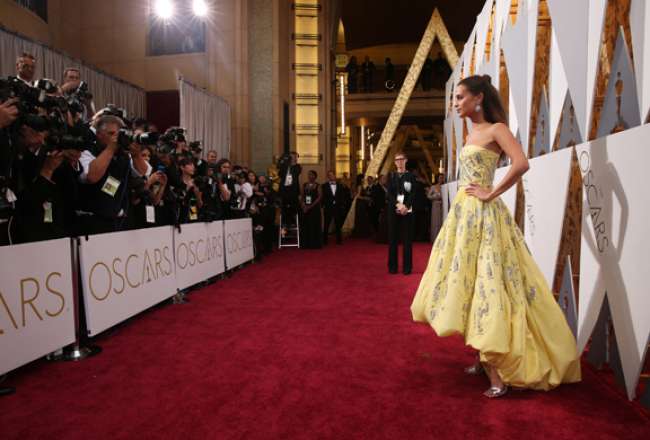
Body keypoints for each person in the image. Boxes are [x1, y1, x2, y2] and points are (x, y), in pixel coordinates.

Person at [410, 74, 581, 398]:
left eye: (460, 97)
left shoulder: (495, 129)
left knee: (490, 284)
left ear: (478, 98)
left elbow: (521, 163)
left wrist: (492, 193)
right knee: (471, 283)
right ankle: (480, 354)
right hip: (463, 216)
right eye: (455, 98)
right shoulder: (472, 132)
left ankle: (498, 376)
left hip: (484, 217)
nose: (456, 103)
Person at [386, 152, 416, 275]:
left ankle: (407, 268)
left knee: (407, 240)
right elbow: (389, 194)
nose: (399, 161)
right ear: (395, 162)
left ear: (405, 160)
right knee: (393, 239)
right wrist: (397, 205)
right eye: (397, 160)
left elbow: (413, 193)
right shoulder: (391, 176)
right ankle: (392, 267)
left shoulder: (411, 176)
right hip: (393, 209)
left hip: (407, 211)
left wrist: (406, 206)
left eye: (401, 159)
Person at [321, 170, 350, 245]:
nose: (331, 176)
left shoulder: (340, 185)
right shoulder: (324, 186)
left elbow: (342, 196)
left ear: (334, 176)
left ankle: (339, 240)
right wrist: (323, 205)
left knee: (338, 225)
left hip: (337, 208)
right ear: (328, 177)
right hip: (328, 207)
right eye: (329, 175)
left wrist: (342, 205)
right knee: (326, 225)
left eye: (332, 175)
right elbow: (323, 197)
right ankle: (324, 241)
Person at [299, 170, 322, 249]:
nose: (310, 176)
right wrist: (303, 205)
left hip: (314, 208)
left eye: (311, 175)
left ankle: (314, 244)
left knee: (314, 225)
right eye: (309, 175)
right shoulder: (304, 185)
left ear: (315, 176)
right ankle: (306, 244)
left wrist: (310, 206)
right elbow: (301, 196)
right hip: (305, 208)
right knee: (305, 225)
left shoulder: (318, 185)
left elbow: (319, 197)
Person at [427, 173, 444, 242]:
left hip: (443, 205)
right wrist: (435, 197)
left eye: (442, 178)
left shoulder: (444, 186)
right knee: (435, 222)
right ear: (437, 179)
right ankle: (434, 238)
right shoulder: (433, 187)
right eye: (440, 178)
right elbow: (428, 196)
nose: (441, 179)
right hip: (435, 205)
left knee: (441, 221)